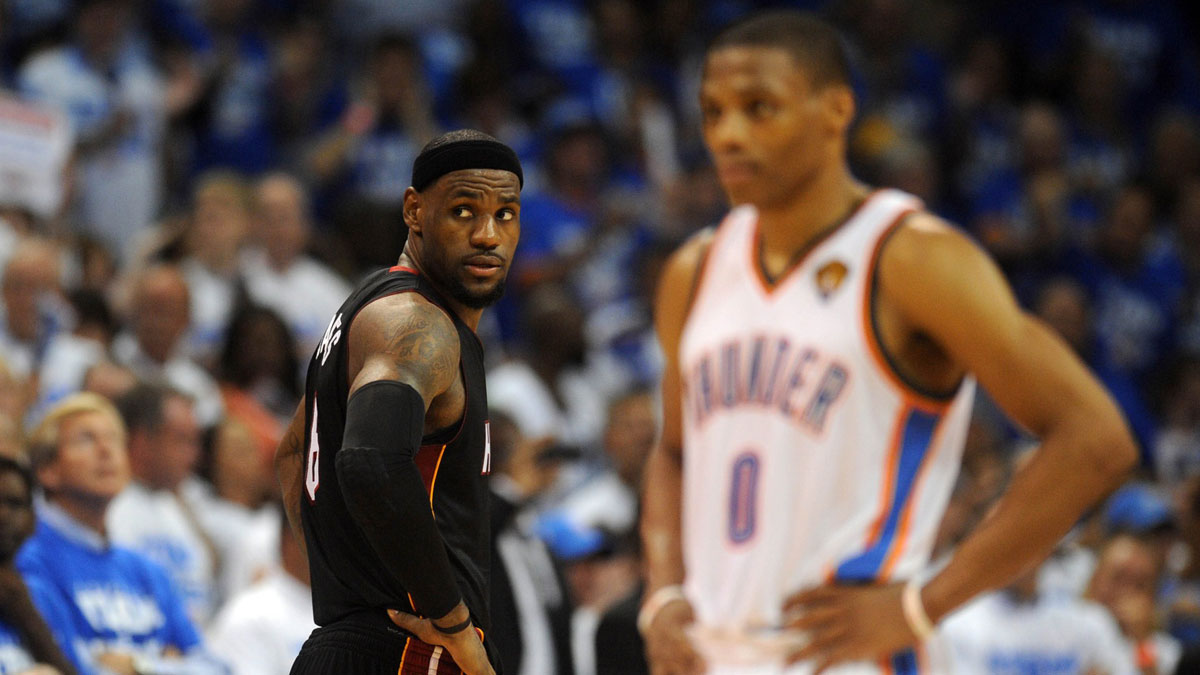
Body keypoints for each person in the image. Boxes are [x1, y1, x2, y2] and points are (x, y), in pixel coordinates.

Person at [639, 11, 1137, 675]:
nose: (729, 135)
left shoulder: (911, 259)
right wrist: (664, 590)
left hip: (850, 658)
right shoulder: (694, 270)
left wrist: (921, 605)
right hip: (714, 655)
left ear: (834, 110)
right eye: (714, 111)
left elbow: (1097, 441)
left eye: (760, 108)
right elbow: (673, 450)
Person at [275, 129, 523, 675]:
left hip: (348, 647)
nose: (488, 235)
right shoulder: (415, 322)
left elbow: (294, 452)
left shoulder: (368, 310)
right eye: (464, 211)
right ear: (414, 210)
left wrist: (350, 576)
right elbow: (370, 460)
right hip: (408, 652)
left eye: (506, 214)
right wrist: (454, 624)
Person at [17, 392, 225, 675]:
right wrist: (171, 664)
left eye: (114, 439)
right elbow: (68, 667)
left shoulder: (147, 571)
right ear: (47, 470)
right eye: (86, 439)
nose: (106, 450)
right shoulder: (29, 559)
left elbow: (216, 669)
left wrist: (141, 666)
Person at [0, 456, 80, 675]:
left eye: (15, 504)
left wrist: (26, 615)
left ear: (34, 521)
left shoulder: (43, 595)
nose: (3, 515)